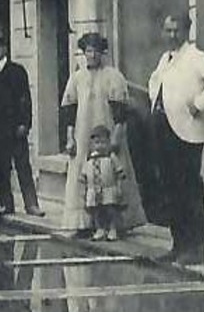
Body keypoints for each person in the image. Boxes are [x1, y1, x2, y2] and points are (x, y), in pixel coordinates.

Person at [147, 13, 204, 264]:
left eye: (176, 30)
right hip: (166, 129)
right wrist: (158, 104)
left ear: (186, 31)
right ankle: (179, 244)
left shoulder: (196, 57)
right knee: (171, 189)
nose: (171, 35)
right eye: (167, 30)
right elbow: (156, 82)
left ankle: (196, 249)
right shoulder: (166, 59)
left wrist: (199, 103)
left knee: (189, 189)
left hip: (188, 132)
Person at [61, 32, 147, 240]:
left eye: (96, 51)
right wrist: (70, 137)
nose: (91, 55)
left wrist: (117, 136)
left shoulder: (113, 76)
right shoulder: (77, 78)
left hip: (106, 130)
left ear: (102, 53)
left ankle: (117, 223)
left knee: (111, 175)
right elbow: (69, 111)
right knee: (83, 173)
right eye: (88, 51)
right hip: (83, 135)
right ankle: (84, 222)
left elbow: (120, 112)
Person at [0, 36, 44, 217]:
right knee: (1, 168)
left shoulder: (17, 71)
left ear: (5, 49)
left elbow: (25, 99)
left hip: (15, 128)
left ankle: (31, 205)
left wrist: (25, 123)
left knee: (23, 166)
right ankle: (6, 204)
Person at [80, 125, 128, 242]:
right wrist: (84, 190)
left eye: (103, 142)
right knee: (96, 211)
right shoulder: (89, 160)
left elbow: (119, 173)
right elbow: (84, 176)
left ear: (108, 143)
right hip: (93, 190)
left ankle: (112, 229)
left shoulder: (111, 158)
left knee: (110, 209)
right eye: (97, 143)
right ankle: (99, 229)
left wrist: (119, 187)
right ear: (92, 145)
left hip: (108, 189)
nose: (100, 146)